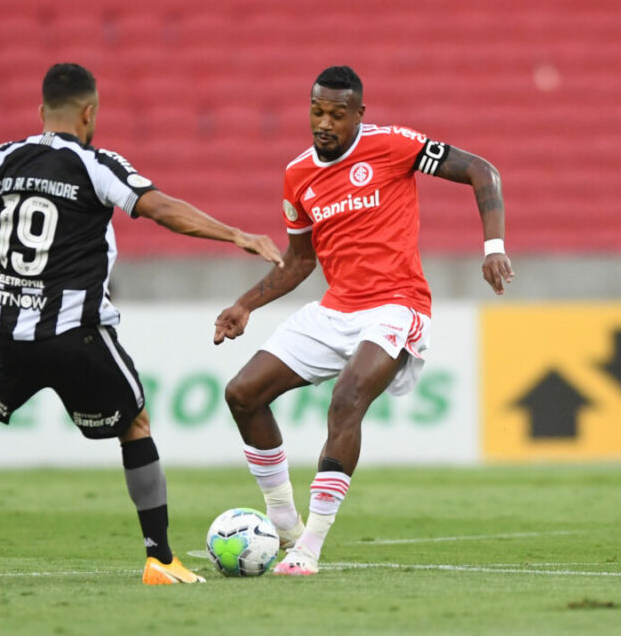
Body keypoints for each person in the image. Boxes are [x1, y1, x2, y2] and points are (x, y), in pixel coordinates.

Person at [0, 63, 283, 585]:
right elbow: (161, 208)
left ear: (40, 113)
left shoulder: (2, 160)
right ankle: (160, 558)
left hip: (9, 333)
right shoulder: (96, 164)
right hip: (76, 331)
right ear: (89, 113)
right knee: (135, 426)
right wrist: (238, 235)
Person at [213, 65, 513, 575]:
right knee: (242, 393)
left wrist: (493, 247)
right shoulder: (298, 175)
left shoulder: (394, 145)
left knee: (347, 398)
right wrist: (245, 304)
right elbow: (301, 260)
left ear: (358, 114)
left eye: (336, 113)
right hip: (336, 309)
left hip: (398, 304)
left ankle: (308, 547)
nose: (324, 122)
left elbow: (482, 170)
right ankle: (283, 522)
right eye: (316, 111)